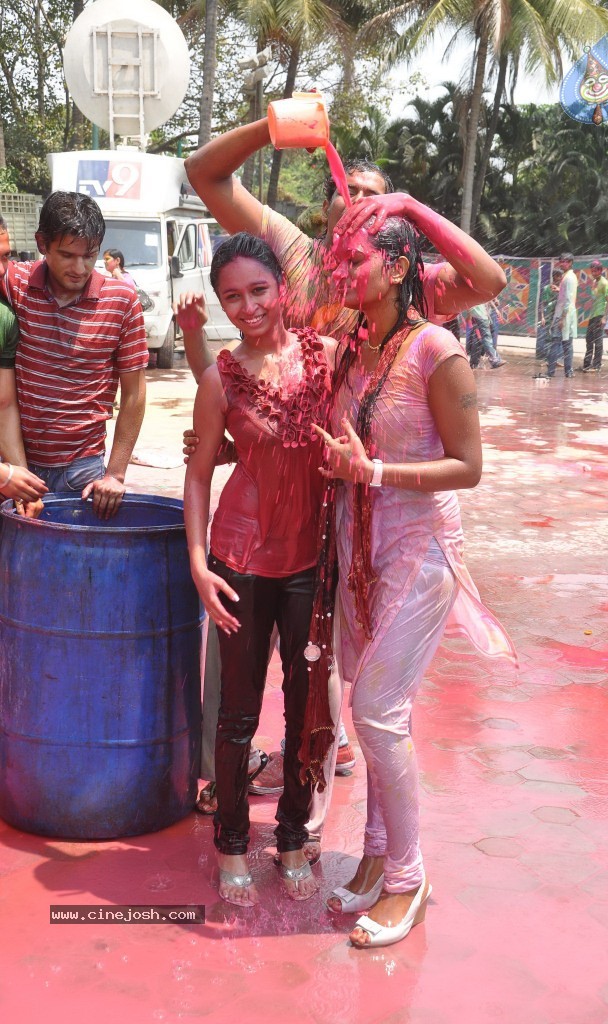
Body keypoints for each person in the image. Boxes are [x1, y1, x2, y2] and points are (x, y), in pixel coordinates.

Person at [182, 119, 506, 832]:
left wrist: (413, 211)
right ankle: (220, 786)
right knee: (235, 663)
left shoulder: (404, 291)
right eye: (349, 190)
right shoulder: (294, 258)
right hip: (270, 508)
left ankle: (311, 816)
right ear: (328, 203)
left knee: (329, 678)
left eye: (375, 198)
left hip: (357, 517)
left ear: (394, 252)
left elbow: (488, 280)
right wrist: (270, 126)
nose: (358, 200)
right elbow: (203, 173)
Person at [313, 215, 515, 948]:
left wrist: (376, 472)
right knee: (372, 713)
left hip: (419, 549)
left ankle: (409, 880)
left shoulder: (438, 348)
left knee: (376, 709)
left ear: (398, 268)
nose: (344, 270)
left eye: (357, 258)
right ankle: (374, 855)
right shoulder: (351, 349)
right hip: (358, 548)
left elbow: (469, 467)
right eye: (340, 259)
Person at [181, 233, 334, 906]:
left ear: (282, 287)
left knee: (305, 712)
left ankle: (294, 837)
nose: (247, 307)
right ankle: (234, 844)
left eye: (258, 290)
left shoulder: (326, 359)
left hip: (309, 561)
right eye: (232, 297)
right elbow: (197, 476)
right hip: (239, 558)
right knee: (238, 715)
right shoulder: (218, 379)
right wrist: (195, 562)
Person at [0, 192, 147, 519]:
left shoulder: (122, 301)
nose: (79, 268)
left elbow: (135, 394)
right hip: (17, 460)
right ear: (42, 243)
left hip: (83, 471)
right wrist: (17, 474)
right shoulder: (16, 282)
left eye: (90, 256)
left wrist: (115, 473)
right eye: (67, 255)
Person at [0, 214, 48, 510]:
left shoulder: (5, 319)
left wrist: (22, 484)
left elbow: (4, 405)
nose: (1, 270)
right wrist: (5, 476)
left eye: (5, 256)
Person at [535, 253, 576, 380]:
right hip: (569, 315)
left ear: (570, 263)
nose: (562, 264)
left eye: (564, 262)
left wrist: (562, 318)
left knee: (556, 343)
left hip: (563, 315)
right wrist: (559, 291)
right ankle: (568, 372)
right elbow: (568, 296)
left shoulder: (568, 278)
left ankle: (551, 371)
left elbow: (568, 300)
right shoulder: (570, 276)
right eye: (561, 261)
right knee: (567, 345)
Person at [581, 260, 608, 372]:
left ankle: (596, 365)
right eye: (592, 271)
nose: (593, 273)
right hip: (593, 315)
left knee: (598, 341)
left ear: (600, 271)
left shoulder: (604, 283)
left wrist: (604, 317)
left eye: (595, 271)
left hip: (600, 314)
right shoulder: (594, 282)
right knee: (589, 339)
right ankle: (587, 364)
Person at [464, 303, 505, 369]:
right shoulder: (476, 295)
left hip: (481, 317)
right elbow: (470, 305)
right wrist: (469, 316)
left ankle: (473, 363)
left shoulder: (475, 295)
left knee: (479, 340)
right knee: (485, 339)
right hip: (480, 317)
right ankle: (494, 360)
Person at [536, 268, 563, 361]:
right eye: (558, 276)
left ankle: (557, 358)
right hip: (549, 315)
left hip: (559, 315)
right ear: (554, 276)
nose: (560, 278)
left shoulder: (563, 289)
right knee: (548, 336)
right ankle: (548, 359)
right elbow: (543, 303)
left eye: (561, 276)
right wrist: (542, 316)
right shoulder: (547, 288)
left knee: (558, 337)